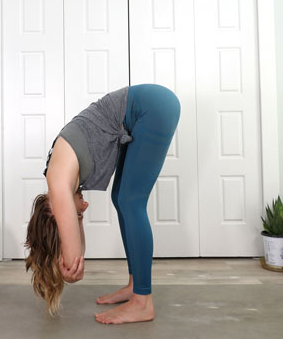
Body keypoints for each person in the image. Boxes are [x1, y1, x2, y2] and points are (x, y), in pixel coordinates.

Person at [25, 84, 180, 324]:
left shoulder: (58, 184)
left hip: (151, 108)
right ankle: (135, 284)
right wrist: (72, 236)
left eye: (75, 215)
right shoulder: (60, 178)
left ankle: (142, 302)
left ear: (54, 212)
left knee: (131, 201)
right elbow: (78, 249)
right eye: (79, 216)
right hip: (150, 106)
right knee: (121, 198)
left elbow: (75, 257)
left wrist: (67, 270)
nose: (84, 209)